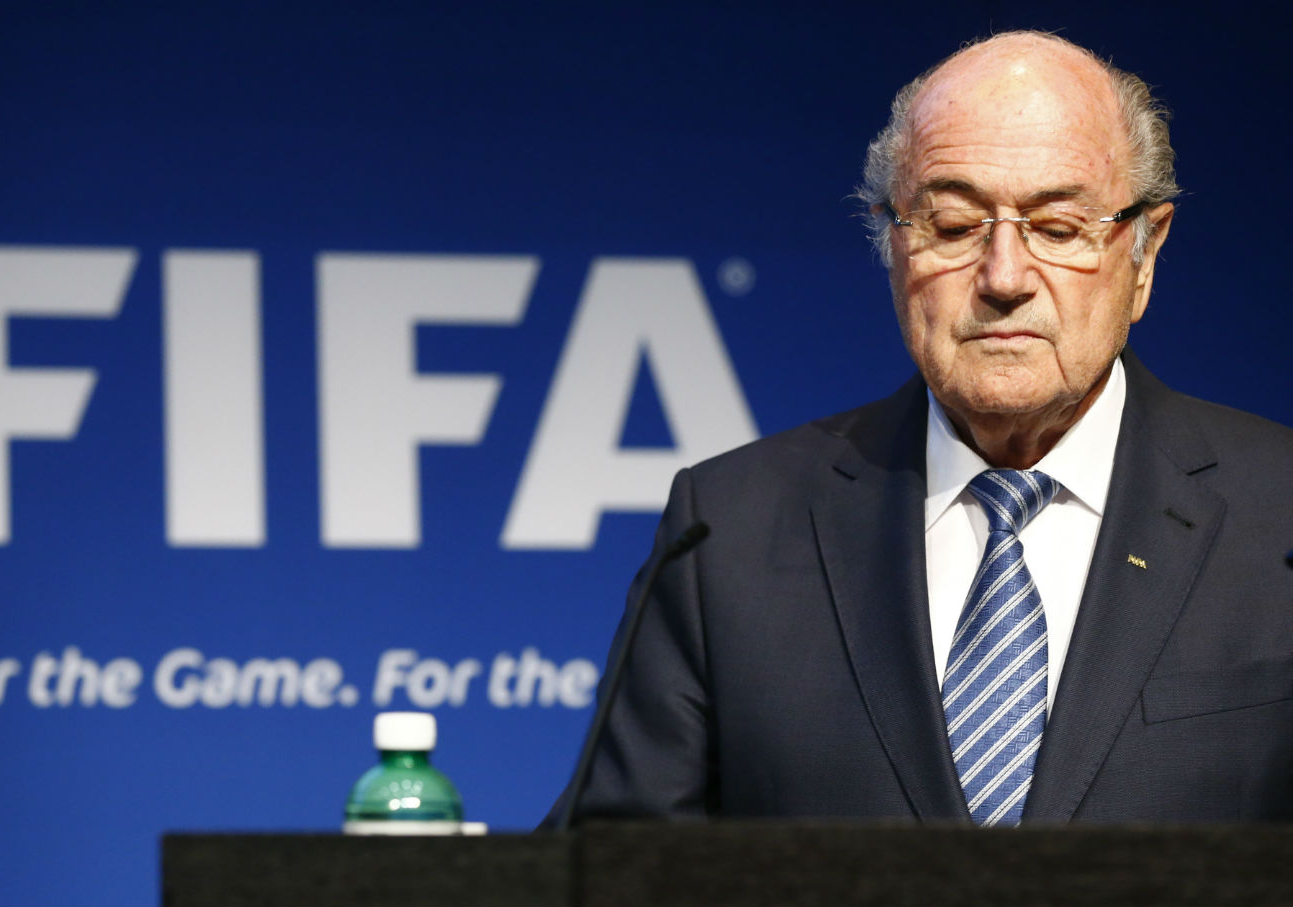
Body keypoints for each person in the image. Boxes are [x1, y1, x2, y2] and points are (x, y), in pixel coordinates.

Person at [551, 30, 1293, 827]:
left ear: (1144, 253)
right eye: (953, 223)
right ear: (893, 245)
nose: (1005, 278)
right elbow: (612, 866)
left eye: (1057, 226)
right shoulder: (725, 530)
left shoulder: (1277, 516)